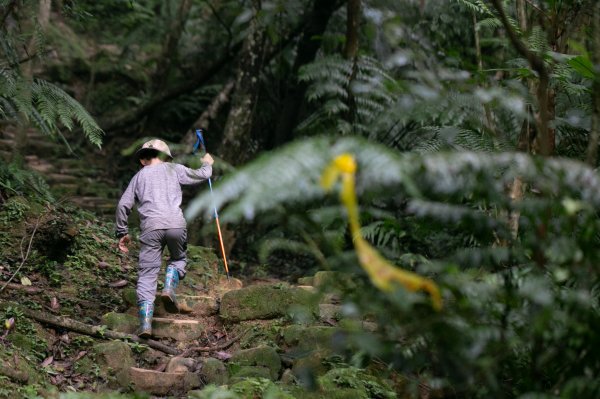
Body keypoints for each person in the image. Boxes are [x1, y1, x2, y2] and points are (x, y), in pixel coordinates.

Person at [115, 138, 213, 338]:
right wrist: (207, 163)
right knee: (178, 259)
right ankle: (169, 285)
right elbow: (202, 175)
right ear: (166, 158)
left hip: (151, 228)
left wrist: (122, 232)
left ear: (143, 160)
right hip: (176, 224)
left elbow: (122, 206)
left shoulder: (138, 177)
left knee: (148, 273)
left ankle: (145, 324)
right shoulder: (174, 169)